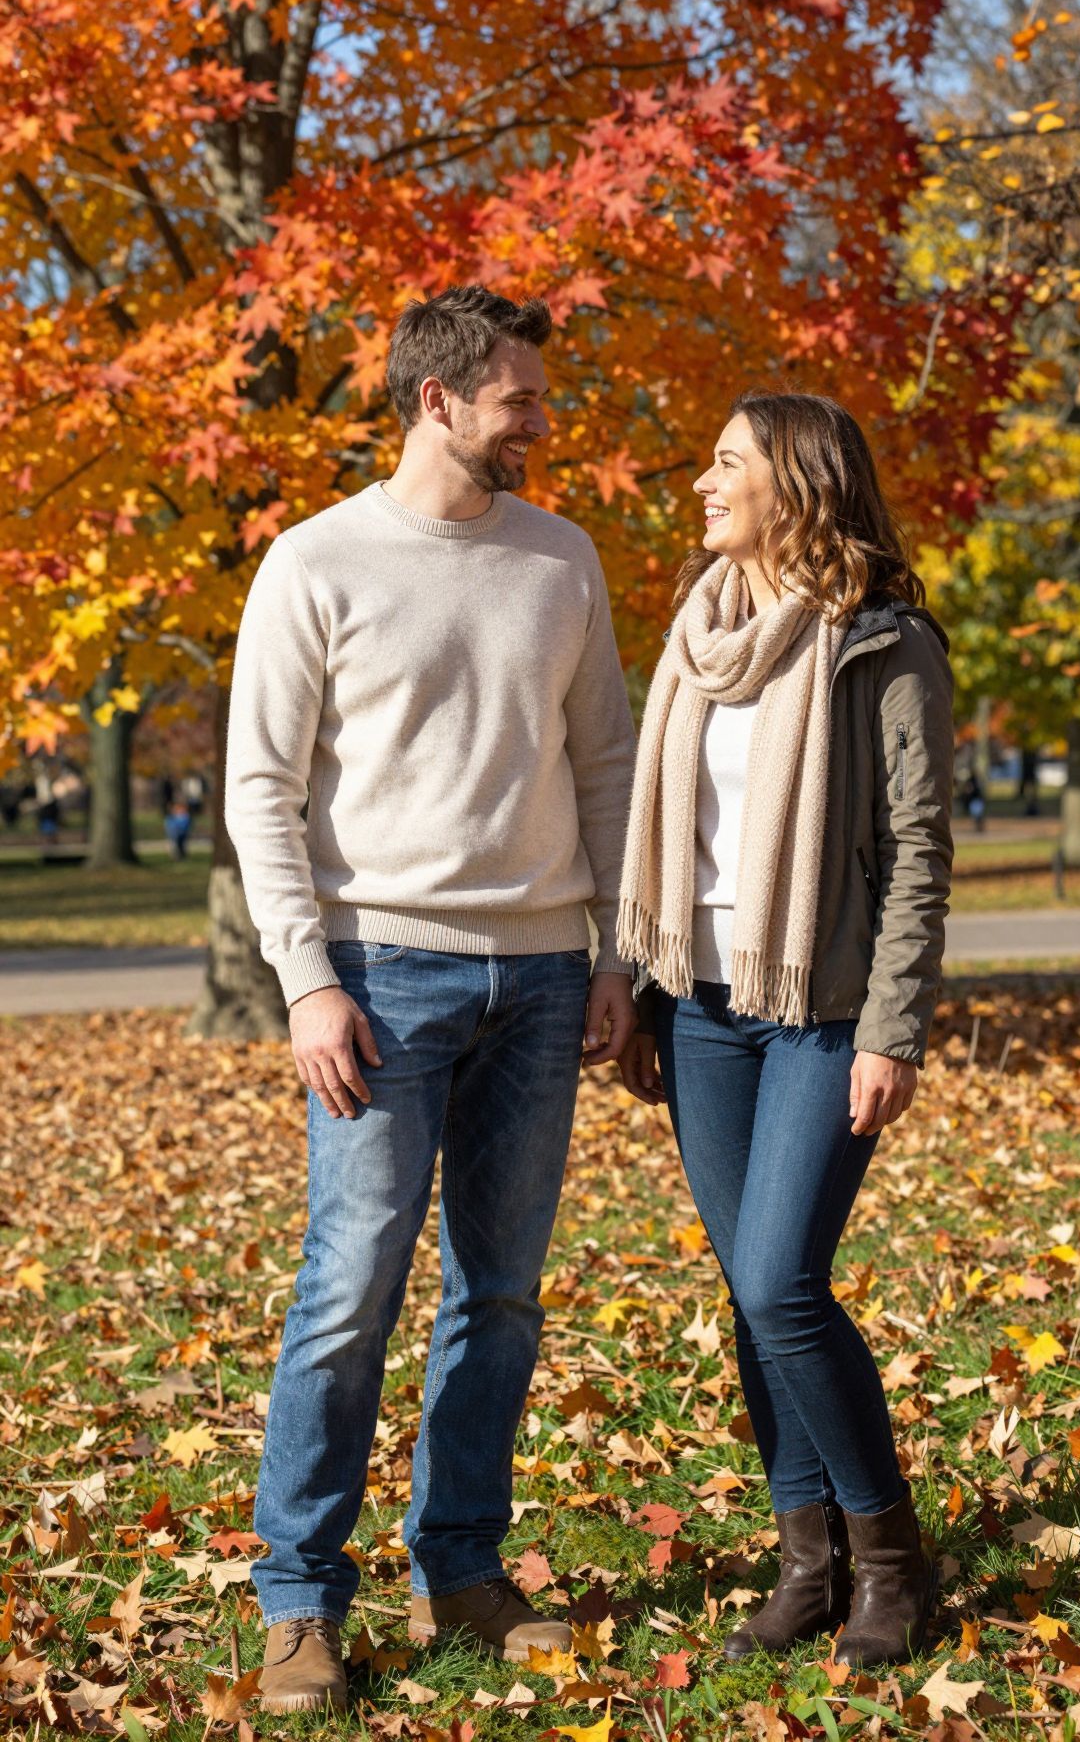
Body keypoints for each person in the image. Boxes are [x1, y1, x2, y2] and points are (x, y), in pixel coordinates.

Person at [225, 285, 636, 1715]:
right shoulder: (316, 562)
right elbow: (261, 792)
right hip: (380, 978)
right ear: (439, 401)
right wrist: (307, 984)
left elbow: (606, 770)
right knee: (350, 1291)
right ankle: (298, 1602)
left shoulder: (561, 558)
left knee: (502, 1296)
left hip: (539, 978)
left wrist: (615, 952)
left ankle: (460, 1566)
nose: (540, 419)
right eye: (519, 398)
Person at [610, 392, 952, 1669]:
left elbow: (919, 850)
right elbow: (667, 840)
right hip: (698, 1004)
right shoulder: (701, 634)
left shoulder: (884, 640)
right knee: (753, 1301)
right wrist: (644, 995)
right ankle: (805, 1559)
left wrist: (893, 1027)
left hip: (819, 1004)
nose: (702, 481)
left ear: (796, 483)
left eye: (726, 462)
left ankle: (890, 1556)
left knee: (779, 1283)